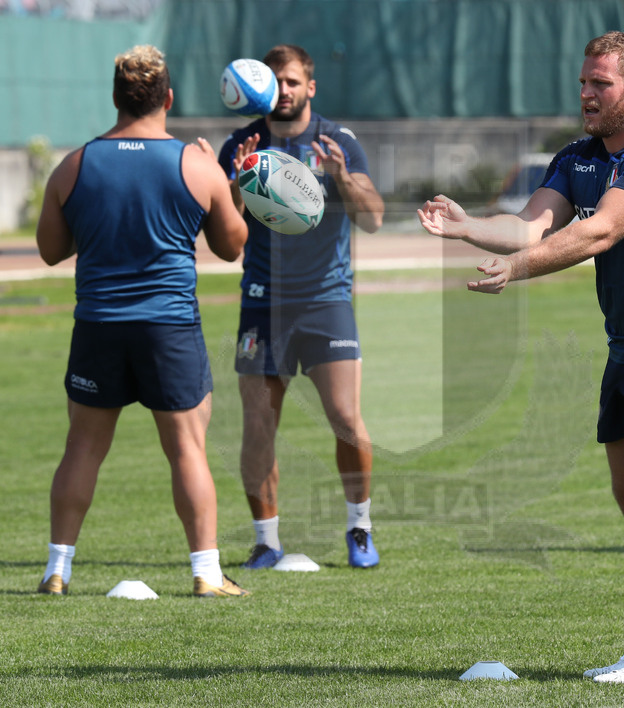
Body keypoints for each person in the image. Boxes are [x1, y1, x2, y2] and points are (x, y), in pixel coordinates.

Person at [418, 31, 624, 683]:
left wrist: (517, 267)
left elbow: (597, 231)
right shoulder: (579, 158)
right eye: (584, 83)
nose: (586, 94)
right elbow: (531, 225)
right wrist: (469, 226)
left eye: (601, 84)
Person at [35, 45, 250, 598]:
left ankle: (57, 570)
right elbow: (231, 248)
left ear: (114, 98)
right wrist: (230, 192)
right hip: (168, 328)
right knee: (186, 449)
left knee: (82, 447)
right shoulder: (196, 164)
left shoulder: (74, 163)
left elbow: (50, 251)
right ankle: (206, 576)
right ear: (168, 98)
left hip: (99, 325)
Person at [218, 44, 385, 569]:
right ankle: (266, 540)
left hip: (326, 299)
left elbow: (374, 217)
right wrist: (237, 183)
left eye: (292, 82)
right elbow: (225, 234)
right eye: (276, 82)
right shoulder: (242, 144)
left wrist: (342, 178)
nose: (283, 90)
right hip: (263, 303)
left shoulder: (338, 141)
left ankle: (360, 528)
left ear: (309, 87)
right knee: (258, 426)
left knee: (346, 419)